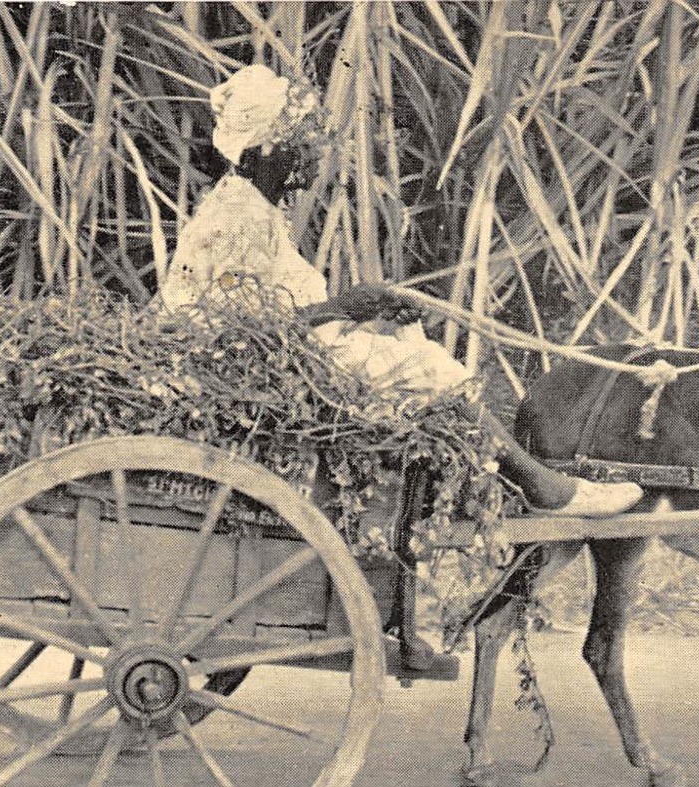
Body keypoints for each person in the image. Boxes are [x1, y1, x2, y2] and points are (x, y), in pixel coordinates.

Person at [158, 64, 642, 518]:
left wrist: (361, 313)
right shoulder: (236, 218)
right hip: (248, 367)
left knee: (411, 349)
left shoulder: (256, 207)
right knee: (429, 369)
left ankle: (499, 486)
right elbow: (233, 326)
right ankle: (540, 487)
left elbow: (275, 306)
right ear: (264, 150)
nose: (312, 157)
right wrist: (344, 307)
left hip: (282, 356)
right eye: (299, 145)